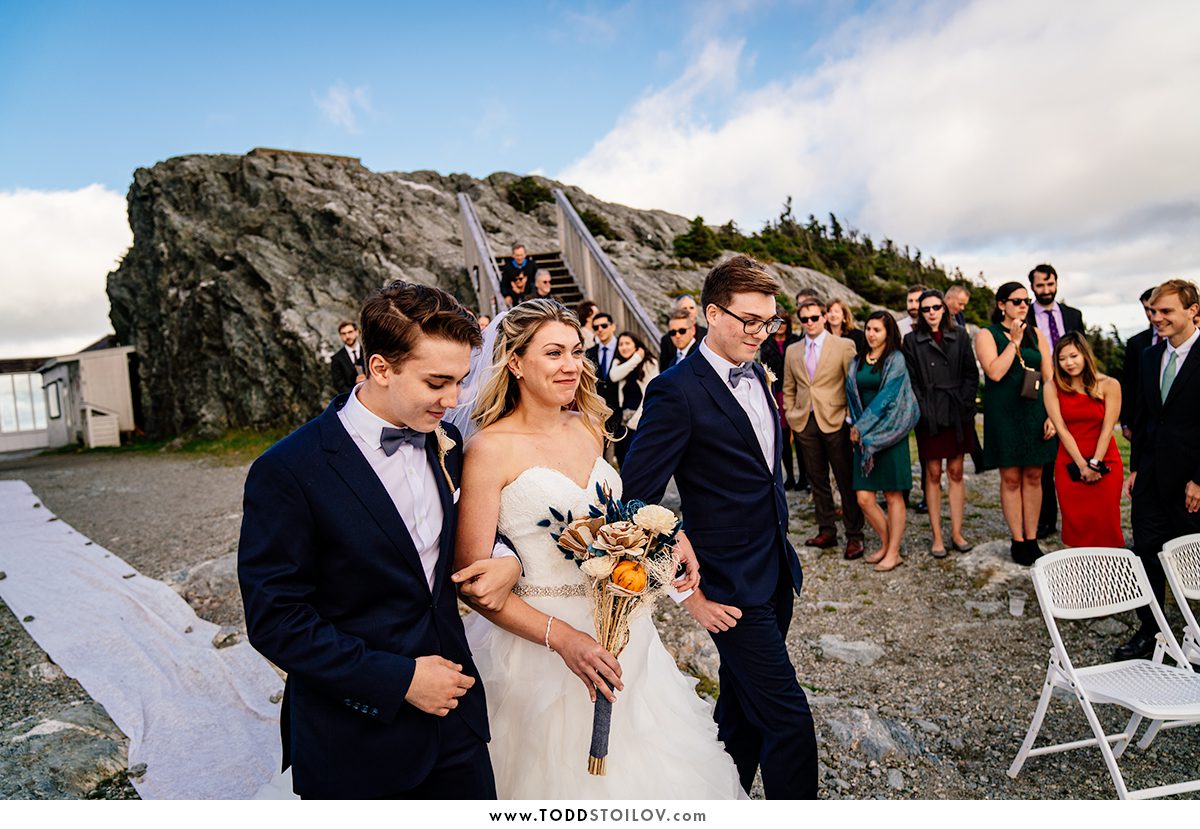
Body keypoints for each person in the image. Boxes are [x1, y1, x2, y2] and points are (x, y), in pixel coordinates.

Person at [454, 298, 744, 799]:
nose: (571, 365)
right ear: (516, 362)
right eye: (553, 353)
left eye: (576, 351)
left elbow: (607, 516)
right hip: (536, 647)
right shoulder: (488, 449)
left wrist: (669, 535)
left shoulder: (588, 425)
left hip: (623, 631)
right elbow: (473, 582)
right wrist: (563, 638)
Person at [238, 281, 517, 799]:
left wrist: (506, 558)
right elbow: (276, 620)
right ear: (381, 368)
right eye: (437, 382)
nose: (454, 400)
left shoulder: (448, 441)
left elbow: (473, 529)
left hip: (457, 724)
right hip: (355, 739)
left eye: (459, 381)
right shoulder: (288, 470)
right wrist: (398, 680)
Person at [621, 255, 818, 799]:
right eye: (749, 321)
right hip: (729, 589)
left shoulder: (759, 371)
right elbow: (635, 498)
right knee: (789, 721)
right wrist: (689, 596)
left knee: (741, 713)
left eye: (769, 321)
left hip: (775, 572)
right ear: (712, 314)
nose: (761, 333)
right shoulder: (676, 390)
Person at [1116, 279, 1200, 661]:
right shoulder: (1149, 356)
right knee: (1146, 553)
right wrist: (1136, 468)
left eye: (1166, 311)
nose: (1157, 318)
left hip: (1192, 482)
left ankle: (1195, 637)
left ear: (1192, 311)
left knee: (1192, 559)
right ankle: (1151, 633)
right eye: (1153, 311)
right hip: (1150, 477)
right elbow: (1144, 416)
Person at [975, 281, 1057, 566]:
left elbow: (1049, 377)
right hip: (1004, 414)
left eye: (1026, 301)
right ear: (1001, 305)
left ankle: (1032, 538)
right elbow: (995, 372)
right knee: (1010, 478)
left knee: (1034, 476)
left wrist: (1052, 415)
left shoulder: (1037, 333)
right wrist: (1014, 341)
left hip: (1035, 411)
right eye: (1017, 301)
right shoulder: (987, 334)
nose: (1023, 305)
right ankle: (1017, 540)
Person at [784, 298, 867, 560]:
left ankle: (854, 535)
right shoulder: (792, 350)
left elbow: (851, 386)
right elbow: (789, 387)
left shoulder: (843, 346)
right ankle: (827, 530)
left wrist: (849, 418)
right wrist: (791, 414)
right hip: (805, 423)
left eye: (814, 317)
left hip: (835, 420)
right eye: (804, 319)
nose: (809, 323)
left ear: (823, 317)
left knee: (845, 479)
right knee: (817, 479)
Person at [902, 290, 979, 556]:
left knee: (956, 471)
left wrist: (965, 403)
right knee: (932, 473)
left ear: (944, 309)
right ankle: (937, 536)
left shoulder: (960, 335)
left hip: (957, 410)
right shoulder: (911, 340)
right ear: (920, 313)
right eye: (926, 309)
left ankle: (956, 532)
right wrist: (924, 408)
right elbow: (911, 379)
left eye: (936, 307)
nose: (932, 312)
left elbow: (971, 373)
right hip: (930, 412)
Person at [848, 311, 920, 572]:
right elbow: (852, 394)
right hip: (865, 439)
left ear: (888, 333)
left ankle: (893, 552)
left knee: (892, 495)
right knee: (864, 498)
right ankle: (887, 543)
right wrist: (858, 426)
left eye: (877, 330)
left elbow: (888, 397)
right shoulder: (857, 360)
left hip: (890, 433)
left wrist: (860, 426)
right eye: (868, 328)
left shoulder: (896, 358)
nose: (871, 334)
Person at [1042, 332, 1124, 548]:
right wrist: (1082, 465)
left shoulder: (1109, 384)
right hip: (1070, 463)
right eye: (1062, 358)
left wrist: (1095, 463)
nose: (1068, 363)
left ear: (1085, 355)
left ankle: (1109, 568)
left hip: (1106, 461)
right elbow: (1061, 429)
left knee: (1106, 523)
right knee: (1075, 525)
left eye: (1073, 356)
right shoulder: (1052, 387)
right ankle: (1080, 569)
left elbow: (1108, 428)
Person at [1028, 264, 1086, 540]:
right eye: (1040, 285)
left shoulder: (1074, 315)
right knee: (1046, 460)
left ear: (1056, 283)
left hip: (1073, 387)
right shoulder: (1026, 316)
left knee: (1077, 452)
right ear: (1032, 287)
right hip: (1039, 389)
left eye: (1050, 284)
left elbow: (1083, 352)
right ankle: (1046, 519)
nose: (1046, 290)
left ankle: (1079, 516)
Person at [759, 314, 802, 489]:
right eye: (777, 322)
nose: (781, 326)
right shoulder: (766, 344)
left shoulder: (796, 341)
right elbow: (765, 370)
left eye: (784, 322)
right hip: (777, 393)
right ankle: (790, 477)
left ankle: (804, 478)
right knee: (783, 437)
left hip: (796, 391)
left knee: (800, 436)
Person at [609, 331, 659, 466]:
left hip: (640, 420)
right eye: (620, 344)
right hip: (623, 422)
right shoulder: (618, 362)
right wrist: (636, 358)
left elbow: (651, 394)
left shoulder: (649, 363)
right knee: (623, 461)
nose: (623, 347)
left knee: (640, 463)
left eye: (627, 343)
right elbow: (614, 376)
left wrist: (634, 422)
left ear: (636, 346)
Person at [1119, 288, 1158, 441]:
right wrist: (1125, 422)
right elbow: (1129, 383)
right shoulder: (1136, 343)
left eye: (1155, 309)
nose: (1151, 314)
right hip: (1142, 421)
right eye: (1147, 309)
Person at [585, 312, 622, 443]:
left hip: (623, 409)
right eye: (596, 327)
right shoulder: (590, 353)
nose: (600, 330)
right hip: (600, 411)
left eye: (604, 326)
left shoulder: (624, 347)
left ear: (613, 326)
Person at [658, 294, 706, 366]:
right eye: (684, 309)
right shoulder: (667, 342)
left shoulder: (708, 335)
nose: (677, 335)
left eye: (682, 331)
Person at [330, 320, 367, 395]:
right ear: (340, 336)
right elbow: (339, 385)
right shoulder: (336, 359)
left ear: (357, 332)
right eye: (343, 334)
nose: (347, 336)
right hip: (351, 397)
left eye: (350, 332)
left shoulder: (367, 352)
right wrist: (355, 390)